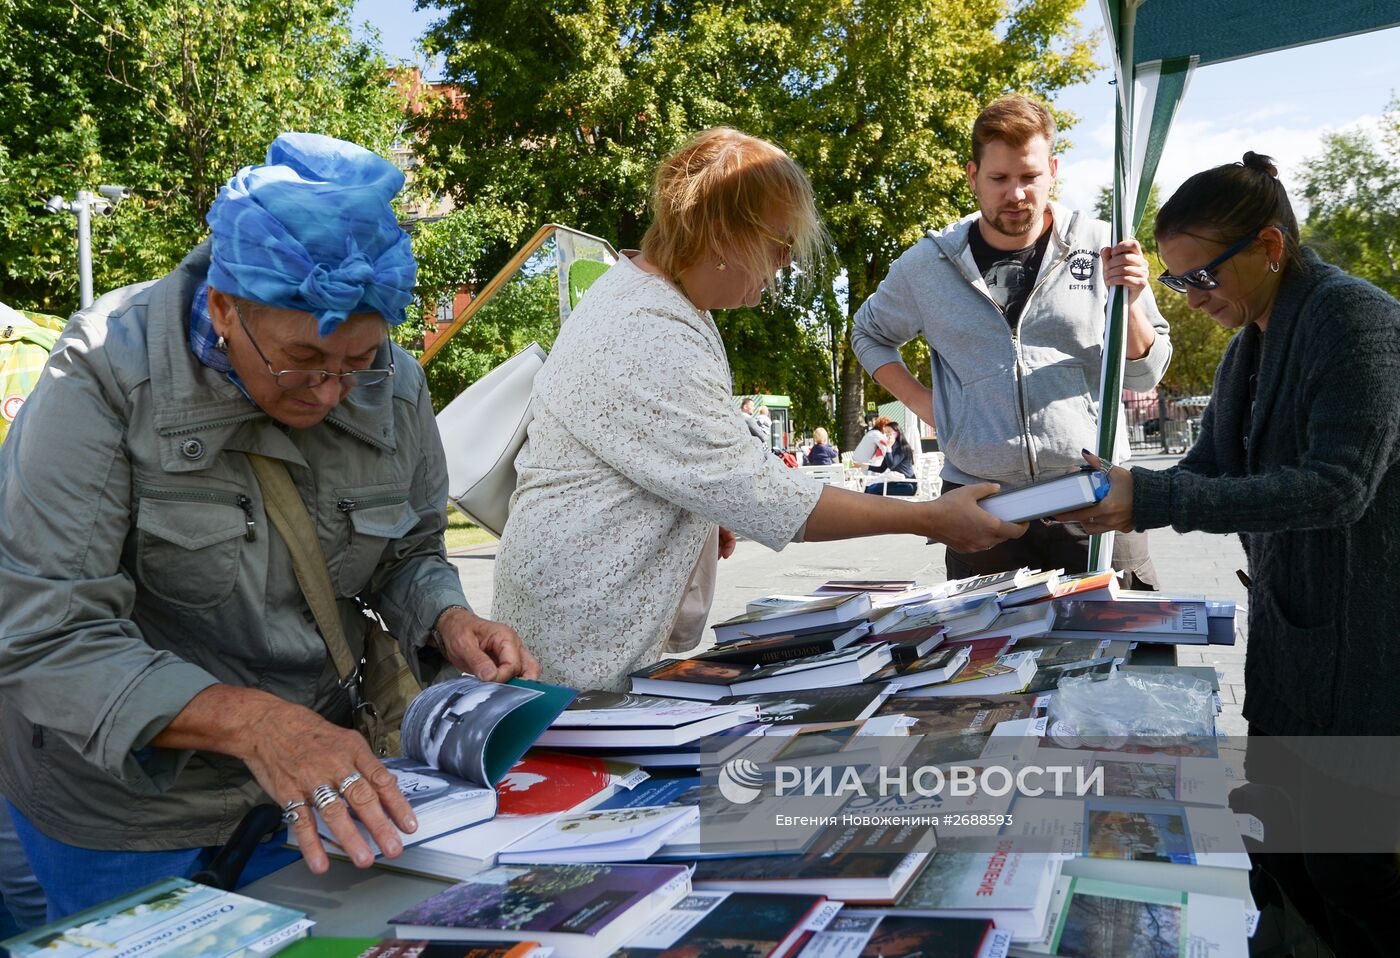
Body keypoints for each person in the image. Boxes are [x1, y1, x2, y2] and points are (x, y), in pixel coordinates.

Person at [0, 132, 538, 921]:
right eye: (302, 362)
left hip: (315, 782)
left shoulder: (392, 383)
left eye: (358, 362)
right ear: (222, 307)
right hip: (128, 813)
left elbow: (411, 551)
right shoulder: (103, 375)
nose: (329, 392)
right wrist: (255, 722)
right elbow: (45, 633)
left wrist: (447, 615)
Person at [493, 128, 1027, 690]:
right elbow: (766, 496)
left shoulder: (660, 303)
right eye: (779, 242)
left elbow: (688, 464)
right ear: (721, 235)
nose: (787, 262)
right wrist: (929, 518)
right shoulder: (648, 329)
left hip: (584, 631)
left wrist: (701, 511)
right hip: (574, 650)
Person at [1063, 152, 1400, 954]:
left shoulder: (1357, 321)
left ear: (1271, 245)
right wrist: (1116, 494)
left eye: (1202, 278)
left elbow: (1336, 488)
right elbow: (1208, 470)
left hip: (1366, 671)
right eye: (1178, 284)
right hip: (1293, 655)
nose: (1192, 299)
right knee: (1281, 854)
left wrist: (1152, 499)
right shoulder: (1255, 333)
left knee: (1357, 883)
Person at [851, 94, 1172, 587]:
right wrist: (930, 406)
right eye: (999, 179)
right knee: (985, 660)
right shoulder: (927, 264)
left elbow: (1146, 373)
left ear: (1053, 170)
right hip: (981, 510)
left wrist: (1127, 302)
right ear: (972, 175)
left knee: (1123, 655)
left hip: (1098, 497)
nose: (1016, 194)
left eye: (1029, 177)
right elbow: (868, 334)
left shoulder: (1105, 243)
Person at [864, 420, 917, 496]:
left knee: (873, 489)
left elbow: (892, 465)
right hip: (899, 483)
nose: (886, 435)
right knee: (868, 488)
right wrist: (862, 466)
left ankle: (880, 507)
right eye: (885, 433)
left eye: (889, 432)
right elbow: (881, 469)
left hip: (908, 485)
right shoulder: (892, 448)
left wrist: (888, 447)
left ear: (897, 433)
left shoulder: (903, 448)